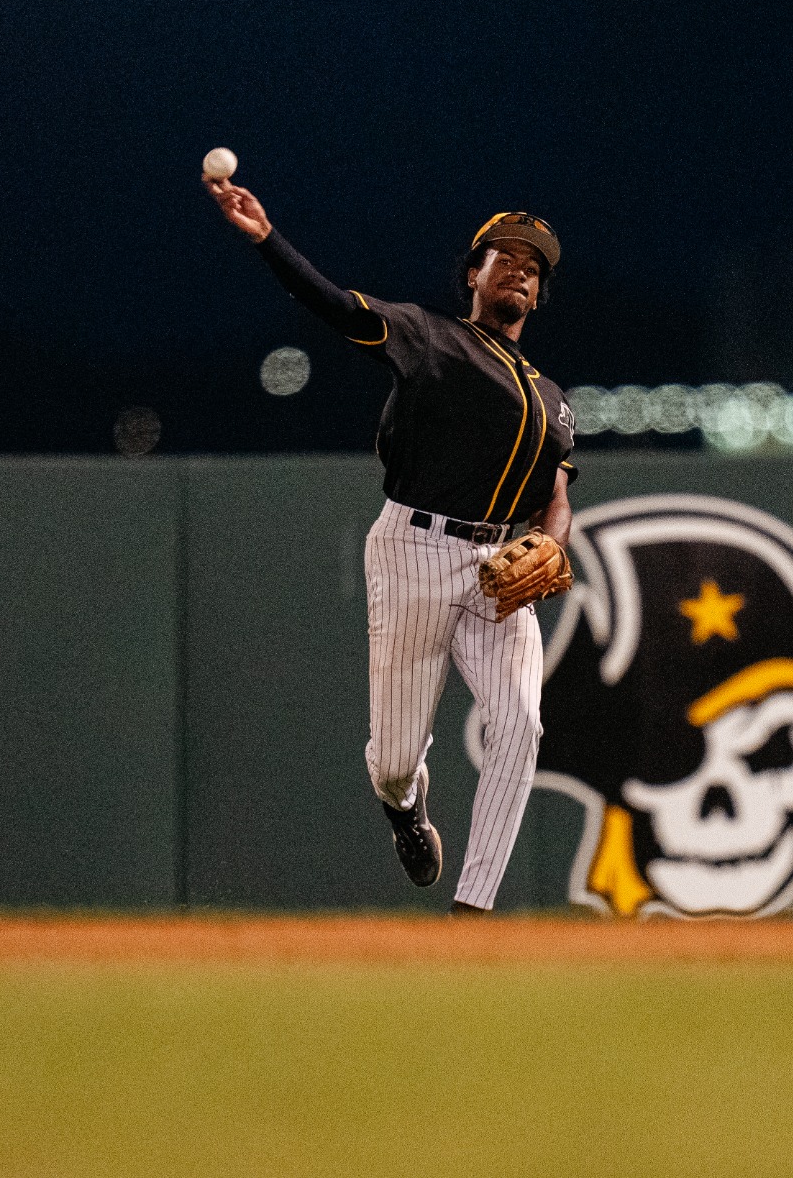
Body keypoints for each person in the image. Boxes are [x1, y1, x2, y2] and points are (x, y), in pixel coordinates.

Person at [205, 176, 576, 913]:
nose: (522, 271)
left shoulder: (554, 397)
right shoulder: (428, 336)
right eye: (506, 257)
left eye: (533, 267)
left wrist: (552, 546)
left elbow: (556, 499)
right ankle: (405, 808)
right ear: (474, 274)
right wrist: (267, 240)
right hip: (416, 550)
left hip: (497, 566)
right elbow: (337, 307)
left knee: (521, 723)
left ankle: (473, 912)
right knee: (397, 759)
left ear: (539, 296)